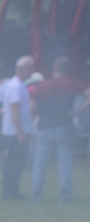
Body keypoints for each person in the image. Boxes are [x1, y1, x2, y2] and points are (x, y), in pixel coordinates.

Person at [29, 56, 84, 202]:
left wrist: (36, 117)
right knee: (64, 163)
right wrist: (77, 111)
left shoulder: (42, 85)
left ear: (54, 68)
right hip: (64, 127)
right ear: (68, 69)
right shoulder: (72, 83)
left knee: (40, 162)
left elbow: (32, 108)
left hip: (44, 127)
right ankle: (65, 195)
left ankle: (37, 195)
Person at [1, 56, 35, 201]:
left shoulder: (17, 84)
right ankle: (10, 192)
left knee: (15, 163)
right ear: (20, 69)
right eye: (29, 68)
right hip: (15, 132)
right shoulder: (16, 86)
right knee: (14, 163)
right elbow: (15, 110)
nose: (31, 71)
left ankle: (11, 191)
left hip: (15, 131)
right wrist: (20, 132)